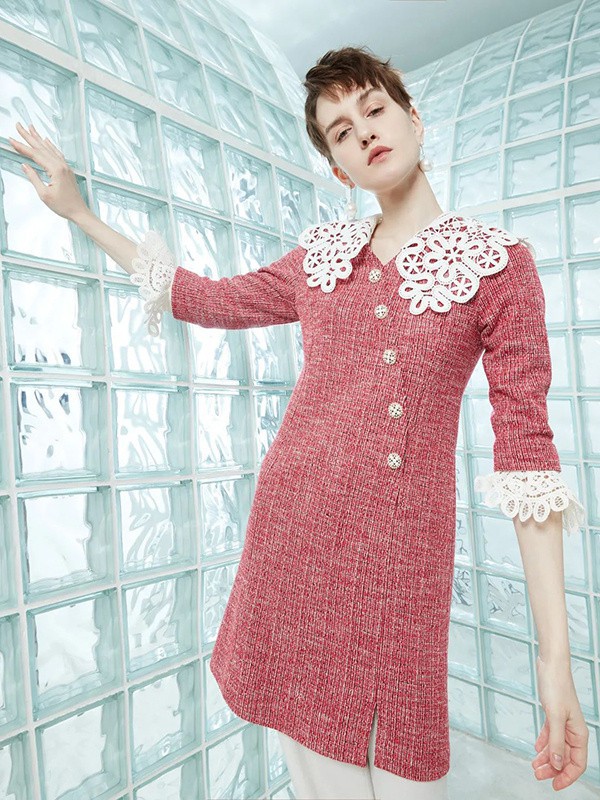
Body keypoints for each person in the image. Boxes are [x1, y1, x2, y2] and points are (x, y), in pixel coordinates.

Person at [9, 44, 590, 800]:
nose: (364, 131)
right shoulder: (322, 258)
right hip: (292, 542)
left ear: (413, 118)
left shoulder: (498, 266)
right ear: (338, 168)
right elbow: (205, 299)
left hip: (400, 560)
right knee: (315, 769)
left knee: (404, 767)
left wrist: (554, 664)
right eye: (341, 131)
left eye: (374, 109)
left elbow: (527, 458)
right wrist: (79, 212)